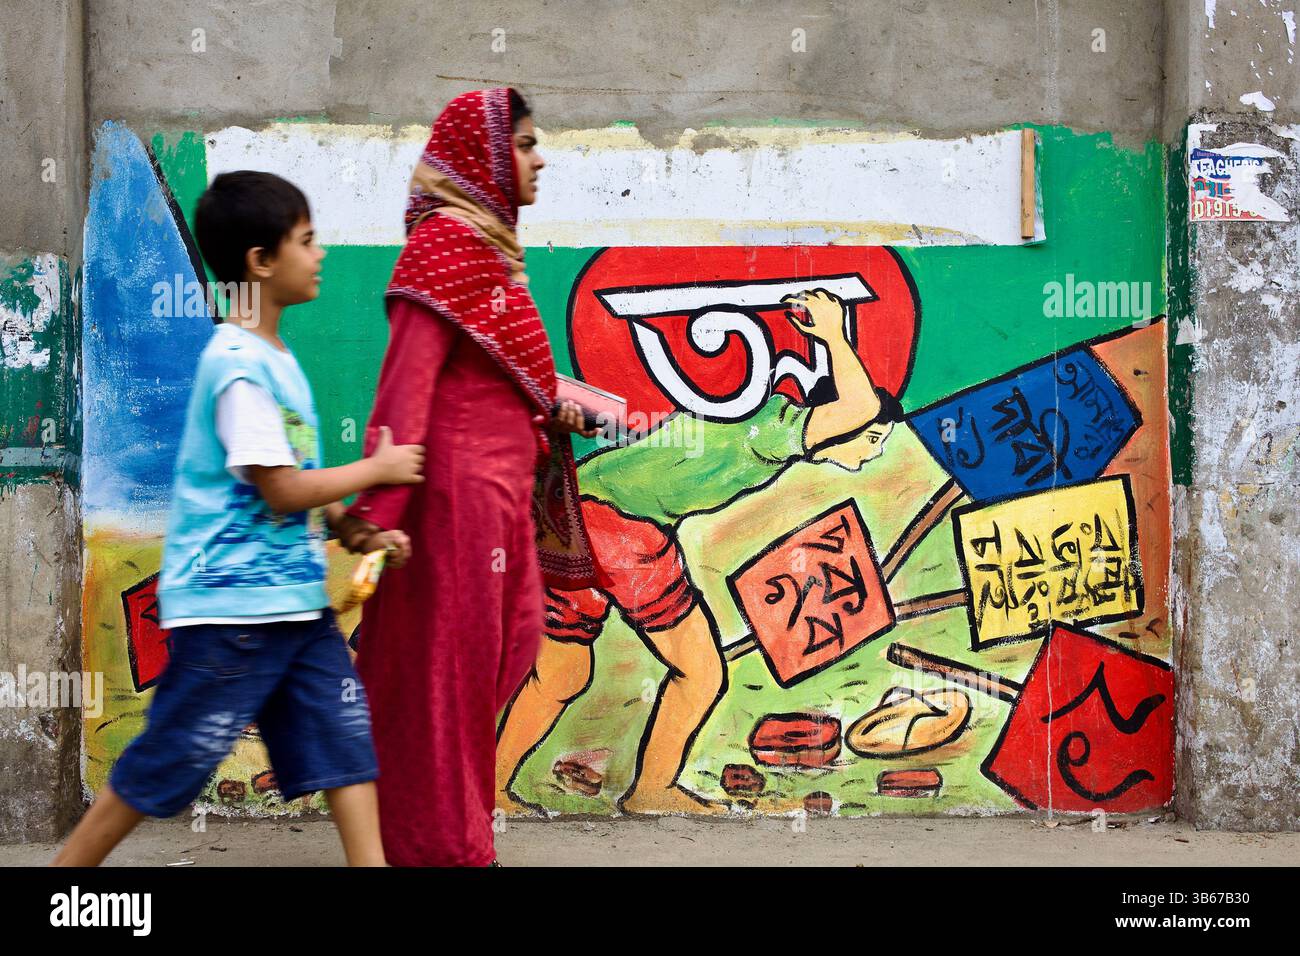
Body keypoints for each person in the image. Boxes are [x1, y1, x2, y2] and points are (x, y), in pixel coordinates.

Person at [51, 171, 424, 867]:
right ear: (261, 261)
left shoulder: (276, 358)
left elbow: (297, 469)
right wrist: (376, 471)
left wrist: (354, 529)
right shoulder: (238, 367)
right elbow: (281, 489)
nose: (321, 255)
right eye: (307, 241)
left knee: (345, 739)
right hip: (230, 615)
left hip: (293, 608)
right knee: (172, 758)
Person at [496, 289, 906, 815]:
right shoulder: (772, 429)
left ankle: (489, 785)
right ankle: (651, 791)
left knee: (561, 673)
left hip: (571, 510)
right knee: (701, 672)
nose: (874, 450)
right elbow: (857, 406)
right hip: (624, 531)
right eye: (873, 438)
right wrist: (833, 332)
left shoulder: (744, 416)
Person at [335, 88, 600, 867]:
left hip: (498, 504)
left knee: (505, 650)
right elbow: (406, 384)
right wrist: (378, 512)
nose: (538, 157)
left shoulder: (488, 249)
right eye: (524, 144)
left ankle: (414, 826)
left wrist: (552, 411)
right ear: (484, 157)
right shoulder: (446, 245)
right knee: (445, 684)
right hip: (451, 507)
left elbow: (494, 381)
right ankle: (449, 847)